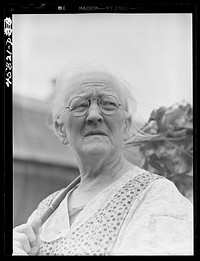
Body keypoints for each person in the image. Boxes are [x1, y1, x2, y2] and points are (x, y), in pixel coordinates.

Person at [13, 63, 193, 256]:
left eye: (108, 103)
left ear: (125, 124)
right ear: (61, 129)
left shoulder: (158, 197)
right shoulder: (42, 213)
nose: (94, 115)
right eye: (80, 105)